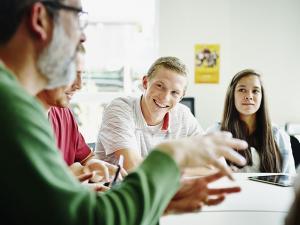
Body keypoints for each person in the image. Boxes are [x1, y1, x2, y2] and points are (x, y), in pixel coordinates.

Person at [0, 0, 248, 224]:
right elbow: (89, 219)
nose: (83, 36)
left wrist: (151, 202)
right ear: (40, 19)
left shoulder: (18, 100)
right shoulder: (9, 104)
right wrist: (171, 156)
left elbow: (58, 212)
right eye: (77, 18)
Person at [96, 56, 204, 170]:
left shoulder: (183, 115)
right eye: (160, 86)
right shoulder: (119, 109)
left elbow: (211, 162)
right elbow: (133, 168)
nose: (165, 97)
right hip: (116, 186)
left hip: (165, 187)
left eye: (175, 92)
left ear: (181, 97)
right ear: (145, 82)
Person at [37, 44, 123, 183]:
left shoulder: (64, 113)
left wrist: (93, 166)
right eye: (72, 75)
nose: (79, 85)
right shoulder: (16, 120)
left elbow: (86, 159)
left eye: (81, 74)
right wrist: (69, 177)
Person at [207, 69, 295, 173]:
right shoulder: (215, 133)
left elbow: (289, 179)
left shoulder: (278, 134)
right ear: (232, 95)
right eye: (242, 90)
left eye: (255, 91)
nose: (249, 96)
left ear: (262, 97)